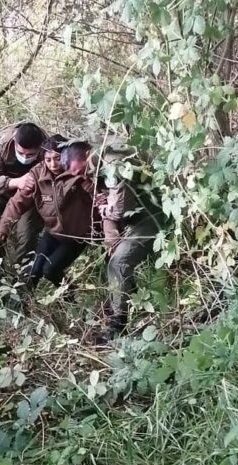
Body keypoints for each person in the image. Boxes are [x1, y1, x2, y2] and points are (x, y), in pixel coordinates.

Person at [0, 138, 95, 290]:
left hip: (77, 236)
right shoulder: (37, 174)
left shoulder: (77, 171)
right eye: (48, 160)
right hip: (53, 232)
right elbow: (17, 203)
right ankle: (27, 302)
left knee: (50, 270)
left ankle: (70, 296)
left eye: (57, 158)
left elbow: (98, 196)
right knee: (33, 273)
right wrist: (2, 230)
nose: (53, 164)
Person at [95, 140, 166, 341]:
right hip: (134, 219)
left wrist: (105, 209)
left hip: (151, 216)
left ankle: (118, 324)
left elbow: (118, 210)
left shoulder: (113, 162)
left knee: (119, 262)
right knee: (113, 260)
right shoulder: (98, 164)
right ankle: (131, 302)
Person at [0, 122, 47, 267]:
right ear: (14, 142)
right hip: (1, 192)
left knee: (27, 234)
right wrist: (16, 182)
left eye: (30, 154)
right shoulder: (0, 144)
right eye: (21, 153)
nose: (25, 157)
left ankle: (23, 273)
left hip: (30, 195)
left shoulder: (47, 148)